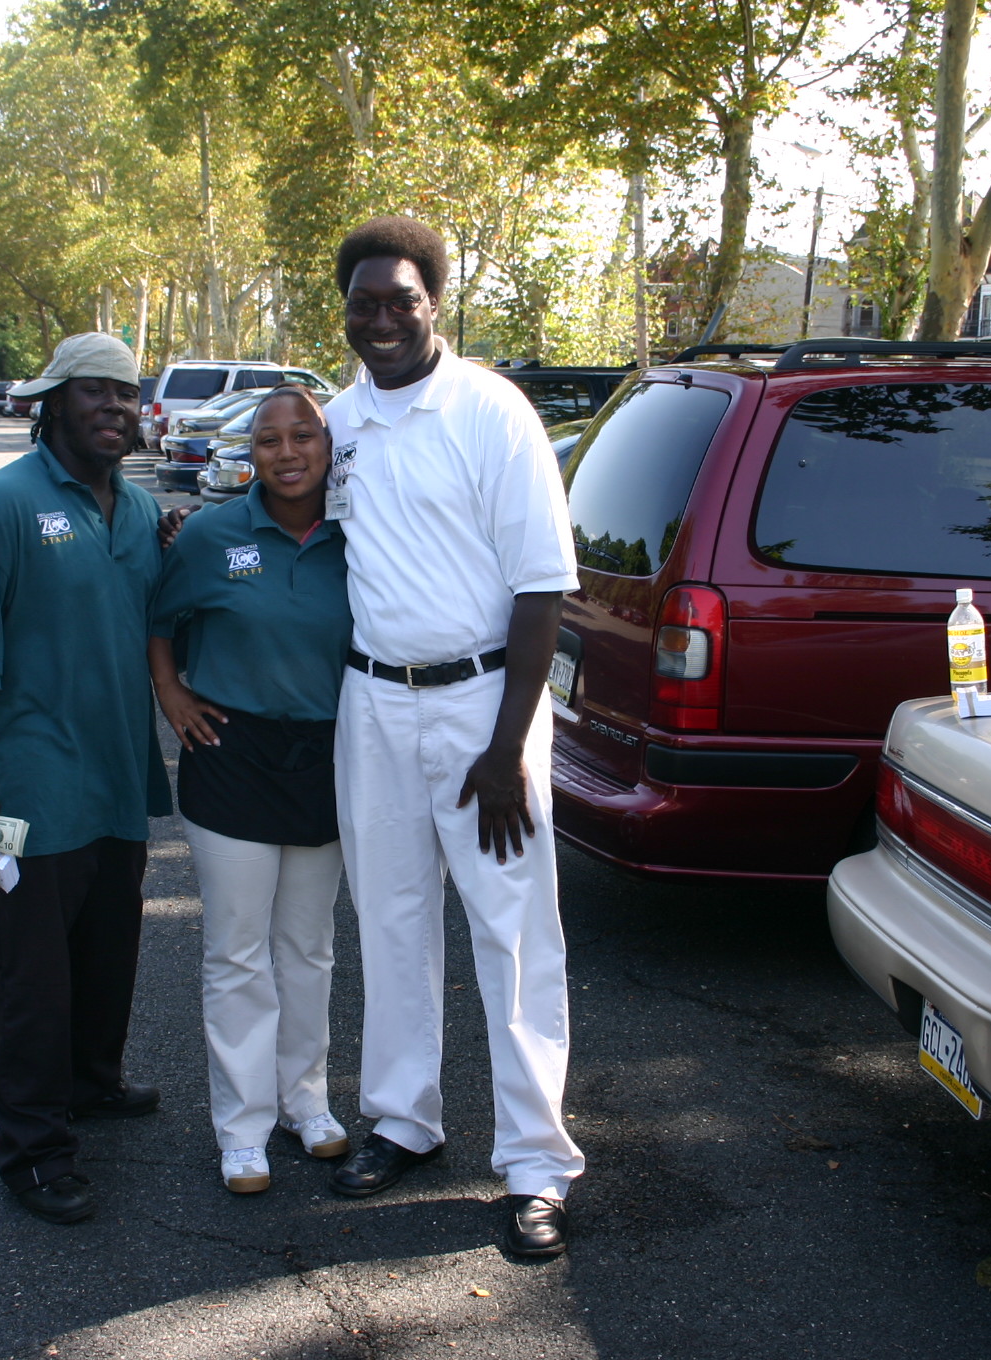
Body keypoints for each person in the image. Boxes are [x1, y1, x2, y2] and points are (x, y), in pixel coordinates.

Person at [324, 216, 585, 1258]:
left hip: (485, 706)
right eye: (365, 303)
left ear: (434, 301)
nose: (383, 319)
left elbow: (542, 586)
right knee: (389, 921)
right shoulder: (338, 420)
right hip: (373, 703)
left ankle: (536, 1164)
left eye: (402, 300)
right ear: (345, 311)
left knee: (513, 934)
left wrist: (509, 746)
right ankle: (403, 1121)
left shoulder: (490, 410)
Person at [0, 332, 170, 1227]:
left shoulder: (138, 511)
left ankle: (90, 1083)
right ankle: (33, 1151)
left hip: (114, 784)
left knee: (104, 957)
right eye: (94, 391)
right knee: (23, 979)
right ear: (52, 402)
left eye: (126, 393)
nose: (115, 408)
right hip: (23, 795)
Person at [148, 385, 354, 1195]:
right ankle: (242, 1130)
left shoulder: (360, 534)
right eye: (270, 440)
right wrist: (171, 693)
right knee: (236, 951)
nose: (288, 452)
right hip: (230, 754)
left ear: (329, 447)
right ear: (251, 454)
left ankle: (307, 1104)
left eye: (304, 436)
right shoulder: (209, 534)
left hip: (326, 758)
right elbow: (160, 622)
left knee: (307, 946)